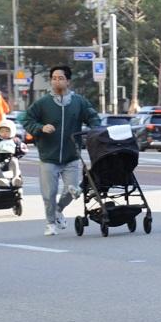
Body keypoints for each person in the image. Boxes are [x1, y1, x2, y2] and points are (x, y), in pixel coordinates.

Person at [23, 65, 101, 236]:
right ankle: (50, 223)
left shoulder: (79, 102)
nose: (56, 81)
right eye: (54, 78)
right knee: (49, 193)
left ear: (68, 81)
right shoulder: (43, 103)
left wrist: (95, 131)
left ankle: (58, 210)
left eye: (60, 78)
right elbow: (27, 120)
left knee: (73, 190)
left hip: (71, 155)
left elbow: (93, 118)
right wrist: (41, 128)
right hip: (48, 156)